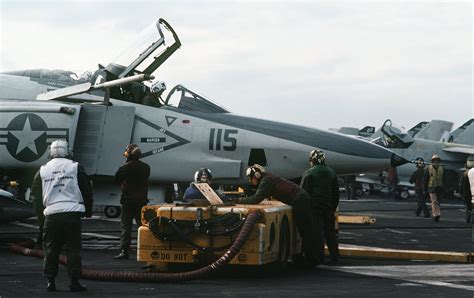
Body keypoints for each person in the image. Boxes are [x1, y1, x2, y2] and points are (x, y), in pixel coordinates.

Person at [31, 140, 93, 292]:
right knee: (73, 249)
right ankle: (74, 282)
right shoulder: (75, 167)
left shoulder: (42, 170)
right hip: (71, 213)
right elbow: (86, 190)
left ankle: (50, 282)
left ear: (50, 152)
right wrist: (88, 210)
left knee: (51, 250)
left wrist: (41, 220)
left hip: (51, 215)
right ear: (68, 151)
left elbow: (37, 198)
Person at [235, 164, 318, 267]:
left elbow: (256, 198)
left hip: (299, 200)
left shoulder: (266, 180)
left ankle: (311, 260)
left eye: (250, 178)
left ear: (256, 175)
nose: (250, 180)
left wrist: (238, 200)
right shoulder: (268, 177)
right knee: (305, 230)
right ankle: (306, 258)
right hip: (301, 199)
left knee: (304, 230)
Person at [300, 149, 340, 265]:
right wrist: (332, 208)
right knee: (330, 232)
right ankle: (335, 256)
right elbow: (336, 193)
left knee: (317, 233)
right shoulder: (332, 172)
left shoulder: (309, 173)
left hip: (315, 207)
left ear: (312, 160)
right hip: (328, 206)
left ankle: (319, 257)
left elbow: (303, 192)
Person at [114, 144, 150, 260]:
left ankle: (124, 251)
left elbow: (116, 180)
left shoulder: (126, 167)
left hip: (128, 201)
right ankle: (144, 250)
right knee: (142, 226)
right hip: (141, 201)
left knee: (126, 227)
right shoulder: (146, 167)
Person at [423, 155, 446, 222]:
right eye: (434, 160)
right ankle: (436, 214)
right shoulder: (428, 169)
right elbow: (425, 180)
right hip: (431, 188)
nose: (436, 161)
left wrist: (446, 187)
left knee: (438, 202)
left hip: (440, 188)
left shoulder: (442, 169)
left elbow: (445, 179)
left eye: (437, 160)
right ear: (432, 161)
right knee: (434, 201)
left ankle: (436, 214)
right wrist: (424, 189)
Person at [460, 158, 474, 223]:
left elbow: (461, 184)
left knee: (468, 207)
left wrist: (461, 193)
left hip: (467, 193)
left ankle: (468, 218)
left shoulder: (464, 174)